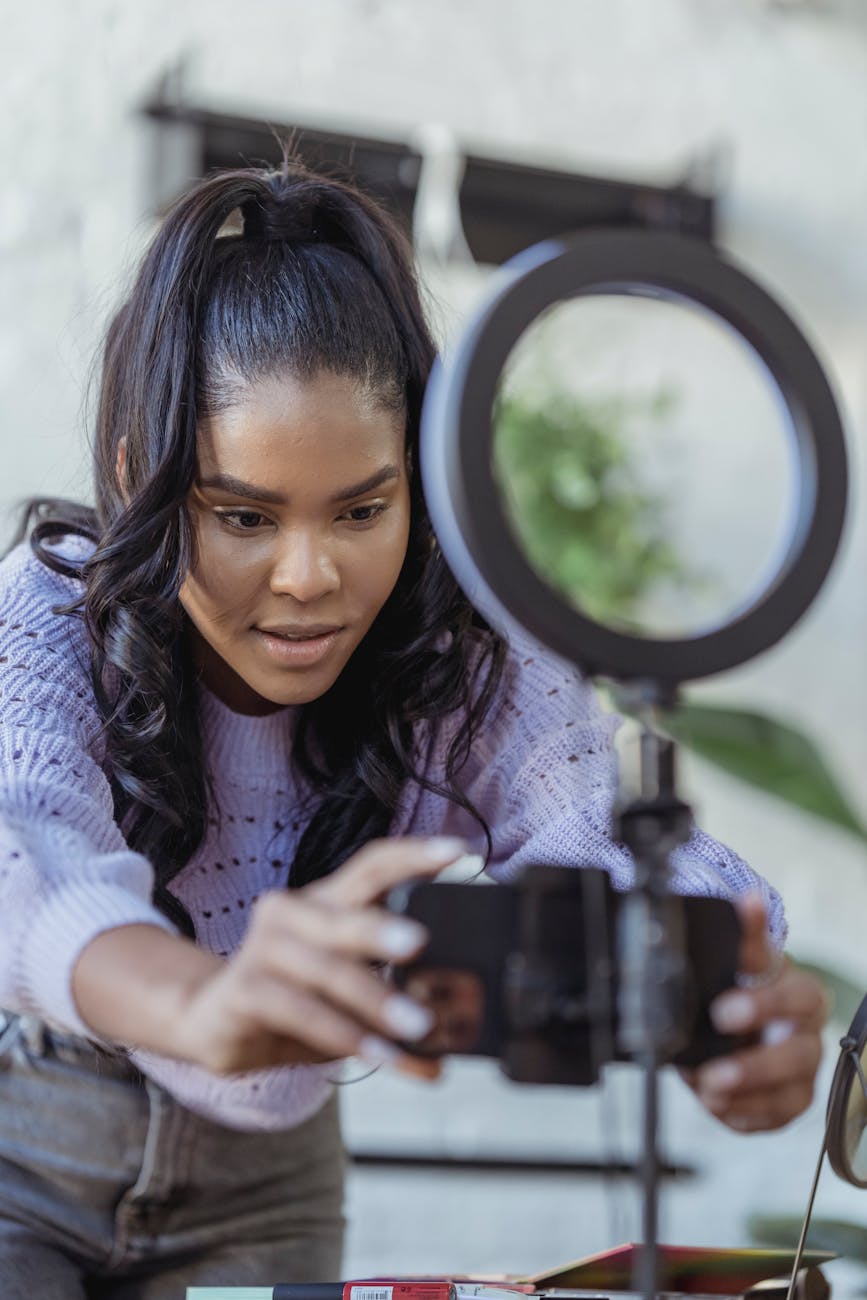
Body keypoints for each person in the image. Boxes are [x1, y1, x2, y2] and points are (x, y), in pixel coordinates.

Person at [0, 158, 825, 1296]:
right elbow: (21, 849)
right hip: (27, 1143)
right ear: (143, 475)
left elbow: (588, 818)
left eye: (363, 509)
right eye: (241, 514)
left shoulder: (463, 658)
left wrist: (726, 985)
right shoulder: (51, 614)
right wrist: (204, 1000)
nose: (309, 576)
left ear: (420, 488)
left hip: (274, 1179)